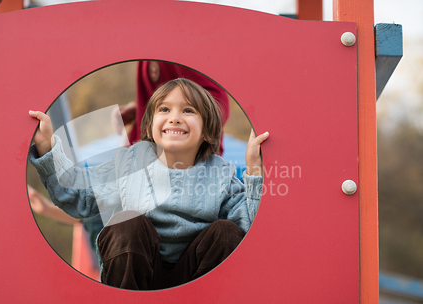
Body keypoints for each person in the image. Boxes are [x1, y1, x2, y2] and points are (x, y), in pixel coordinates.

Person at [28, 78, 269, 290]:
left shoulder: (221, 174)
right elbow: (76, 194)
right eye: (164, 109)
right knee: (127, 223)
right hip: (136, 275)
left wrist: (254, 169)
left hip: (195, 280)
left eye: (188, 110)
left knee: (226, 232)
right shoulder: (130, 162)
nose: (174, 118)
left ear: (207, 130)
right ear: (151, 127)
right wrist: (47, 147)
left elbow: (248, 228)